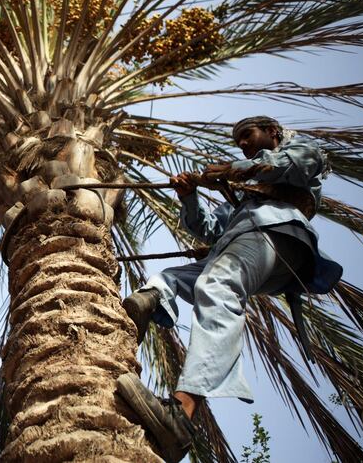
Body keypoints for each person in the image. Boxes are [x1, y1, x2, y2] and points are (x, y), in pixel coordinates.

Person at [115, 116, 343, 463]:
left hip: (276, 235)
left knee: (216, 284)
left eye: (247, 136)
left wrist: (233, 169)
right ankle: (148, 303)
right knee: (172, 277)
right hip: (244, 241)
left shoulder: (301, 151)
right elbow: (207, 229)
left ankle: (182, 414)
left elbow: (289, 165)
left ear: (273, 133)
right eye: (238, 140)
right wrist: (189, 197)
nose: (242, 143)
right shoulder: (242, 199)